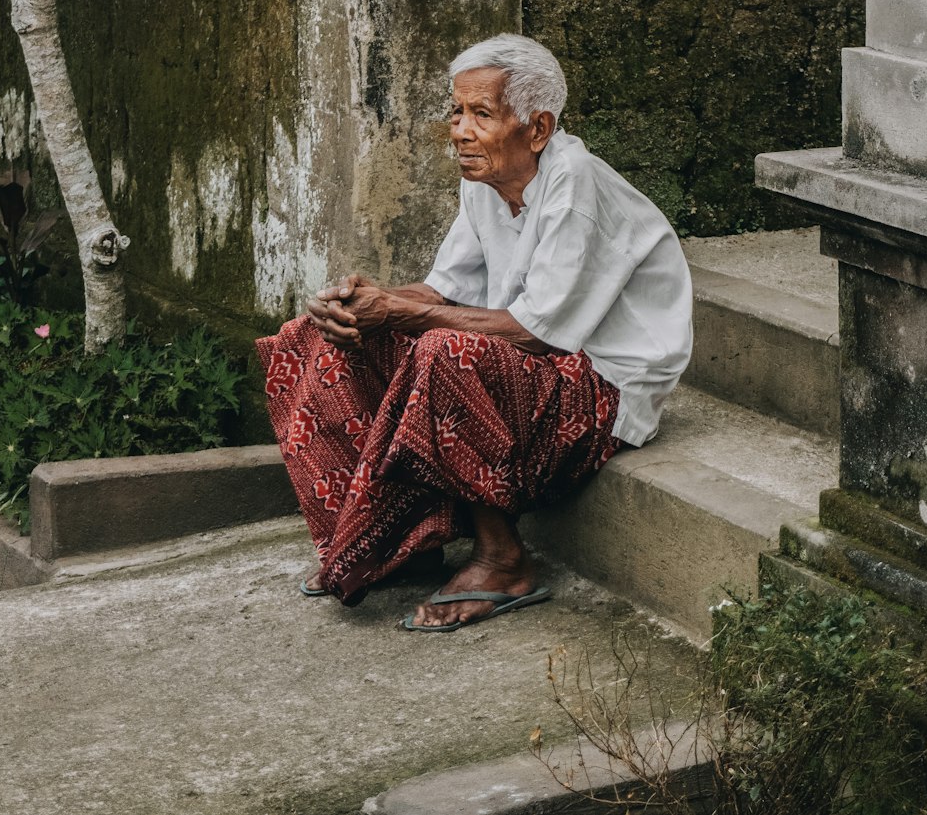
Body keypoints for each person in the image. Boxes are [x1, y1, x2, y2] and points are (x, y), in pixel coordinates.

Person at [257, 33, 693, 632]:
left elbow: (534, 332)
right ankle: (400, 538)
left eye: (480, 114)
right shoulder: (484, 180)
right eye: (456, 111)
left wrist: (399, 312)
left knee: (447, 353)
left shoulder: (576, 184)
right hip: (533, 367)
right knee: (313, 335)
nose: (459, 130)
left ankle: (504, 559)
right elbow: (442, 293)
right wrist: (355, 304)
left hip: (605, 389)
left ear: (537, 129)